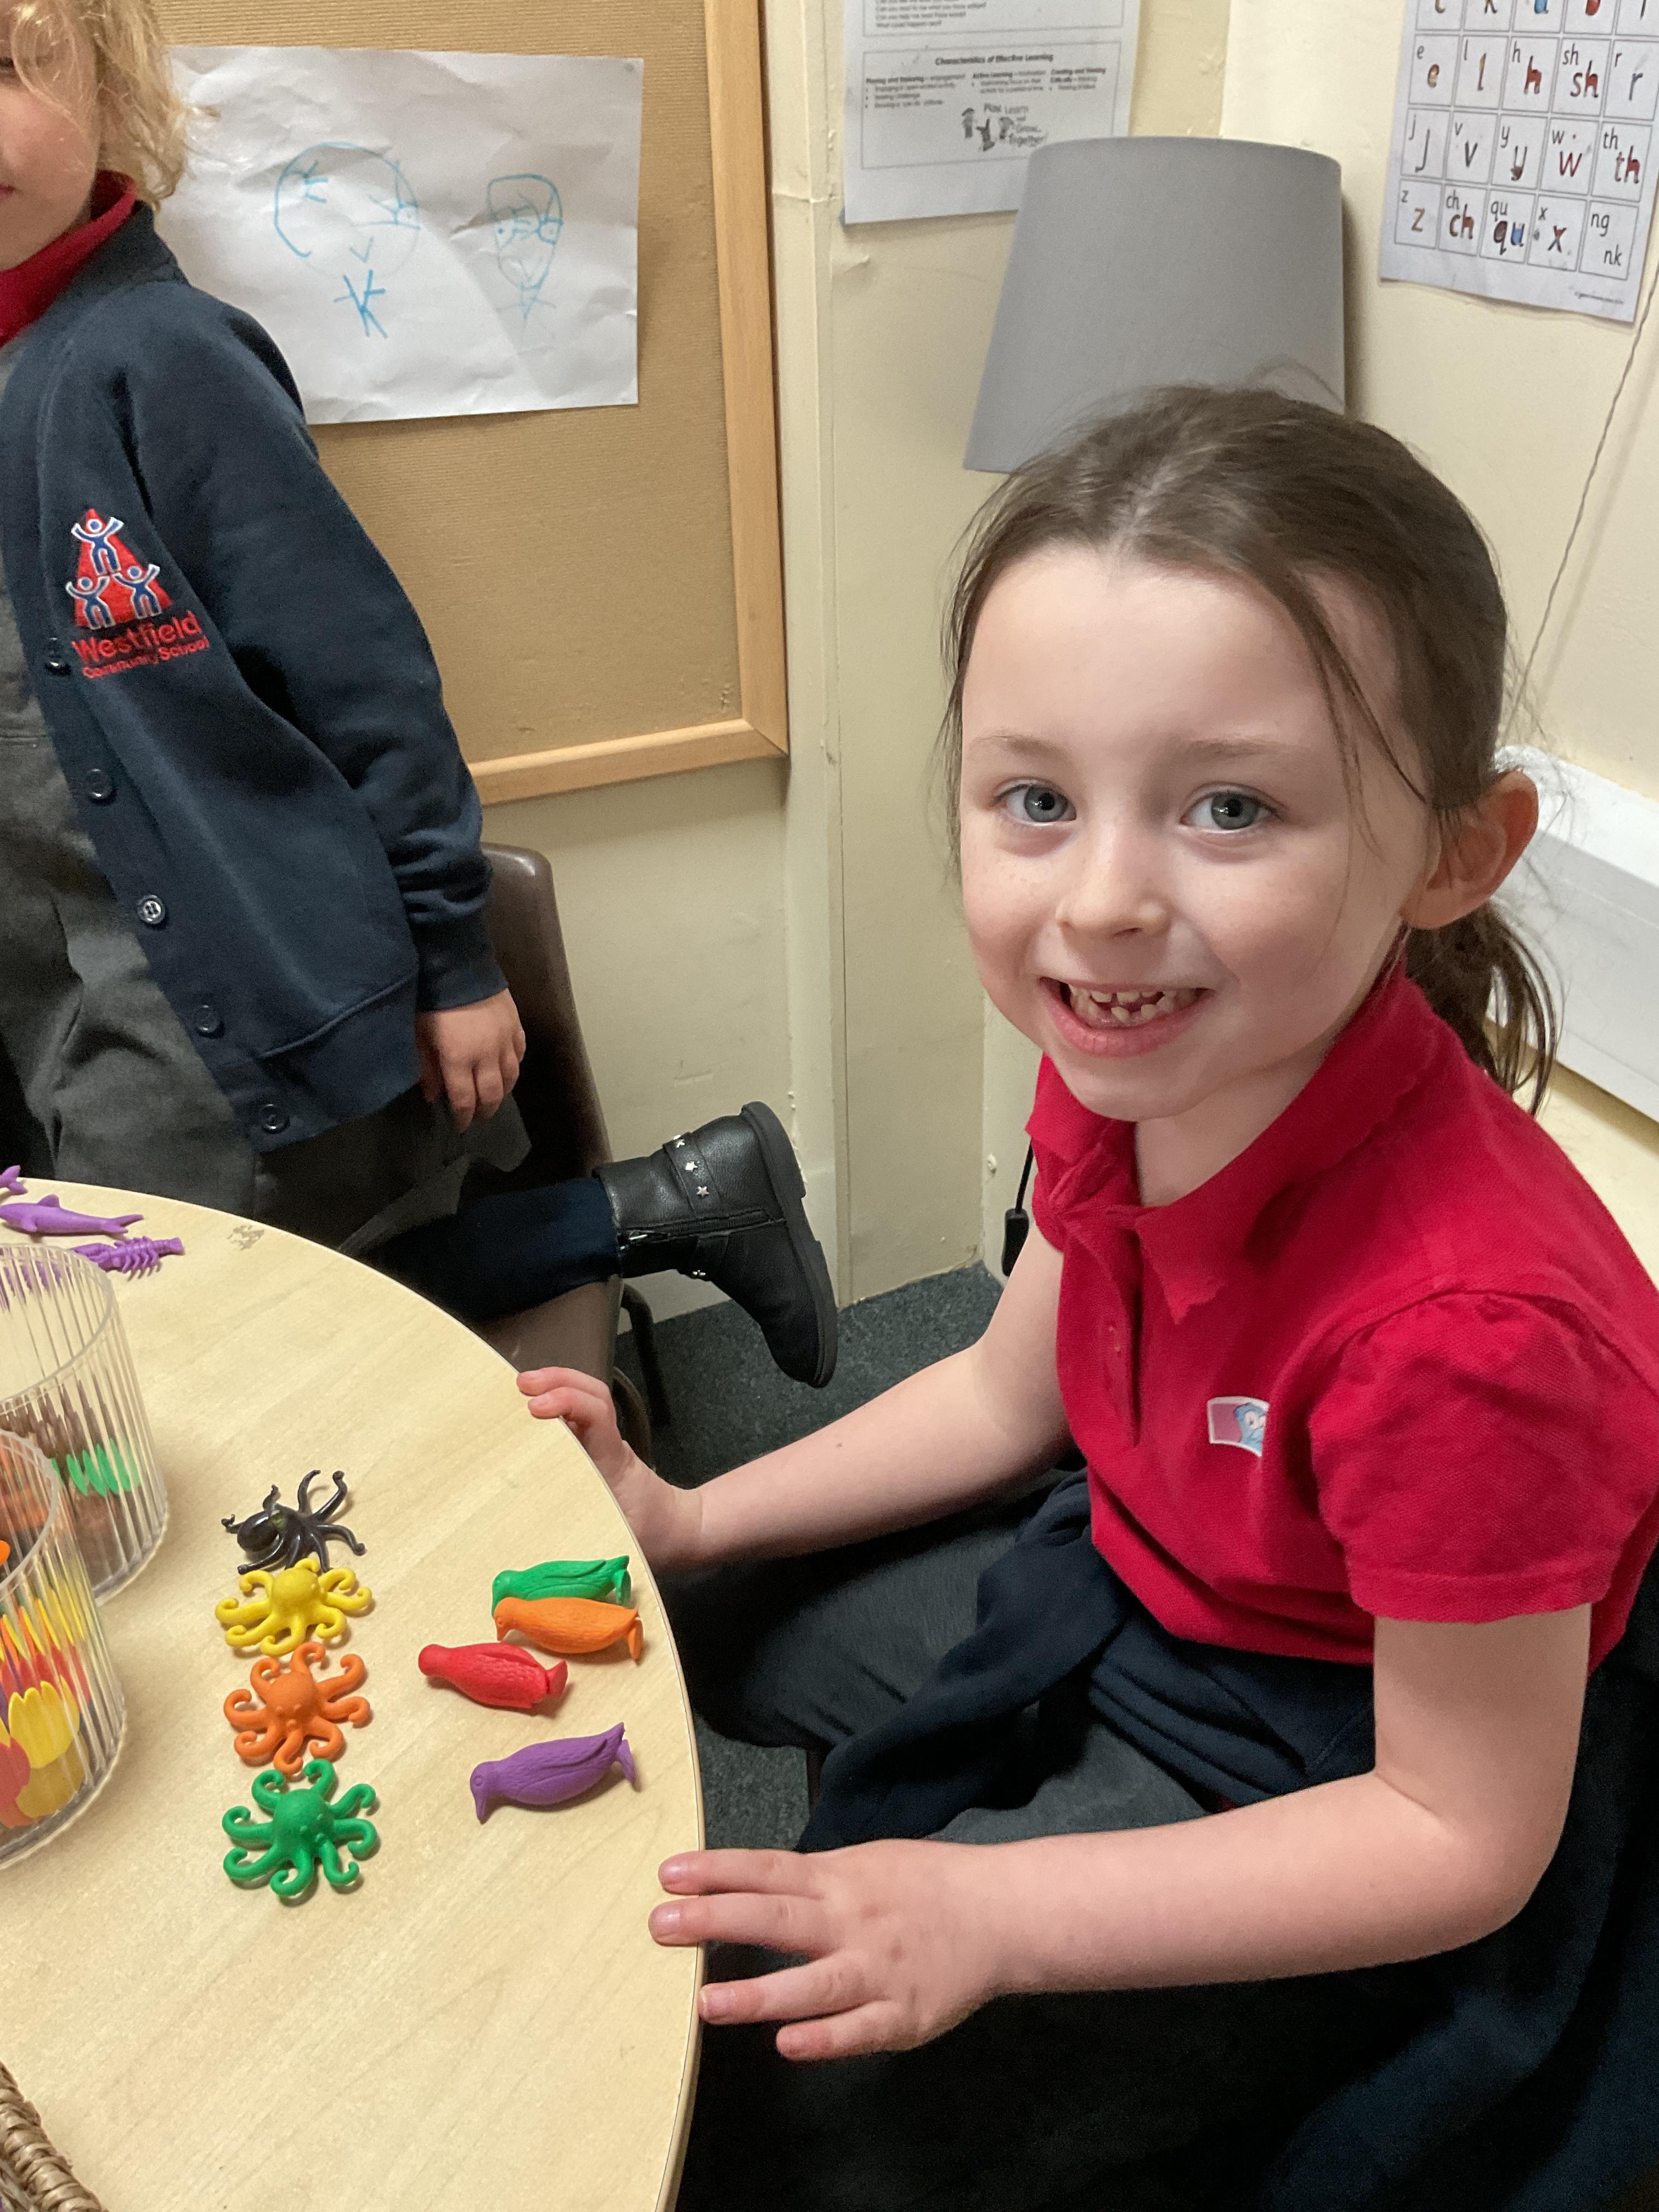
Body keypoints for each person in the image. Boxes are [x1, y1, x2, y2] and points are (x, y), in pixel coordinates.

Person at [518, 388, 1659, 2208]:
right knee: (706, 1623)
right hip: (1142, 1568)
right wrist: (688, 1515)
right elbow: (1006, 1395)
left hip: (1332, 1745)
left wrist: (1000, 1911)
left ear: (1453, 852)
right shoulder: (1132, 1072)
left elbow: (1455, 1835)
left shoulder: (1472, 1343)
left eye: (1229, 807)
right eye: (1036, 800)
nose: (1105, 901)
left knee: (765, 2114)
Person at [0, 0, 834, 1388]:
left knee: (178, 1326)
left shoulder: (160, 356)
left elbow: (362, 676)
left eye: (6, 64)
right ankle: (673, 1202)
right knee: (187, 1299)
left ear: (109, 82)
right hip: (65, 992)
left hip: (204, 993)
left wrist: (455, 959)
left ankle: (648, 1211)